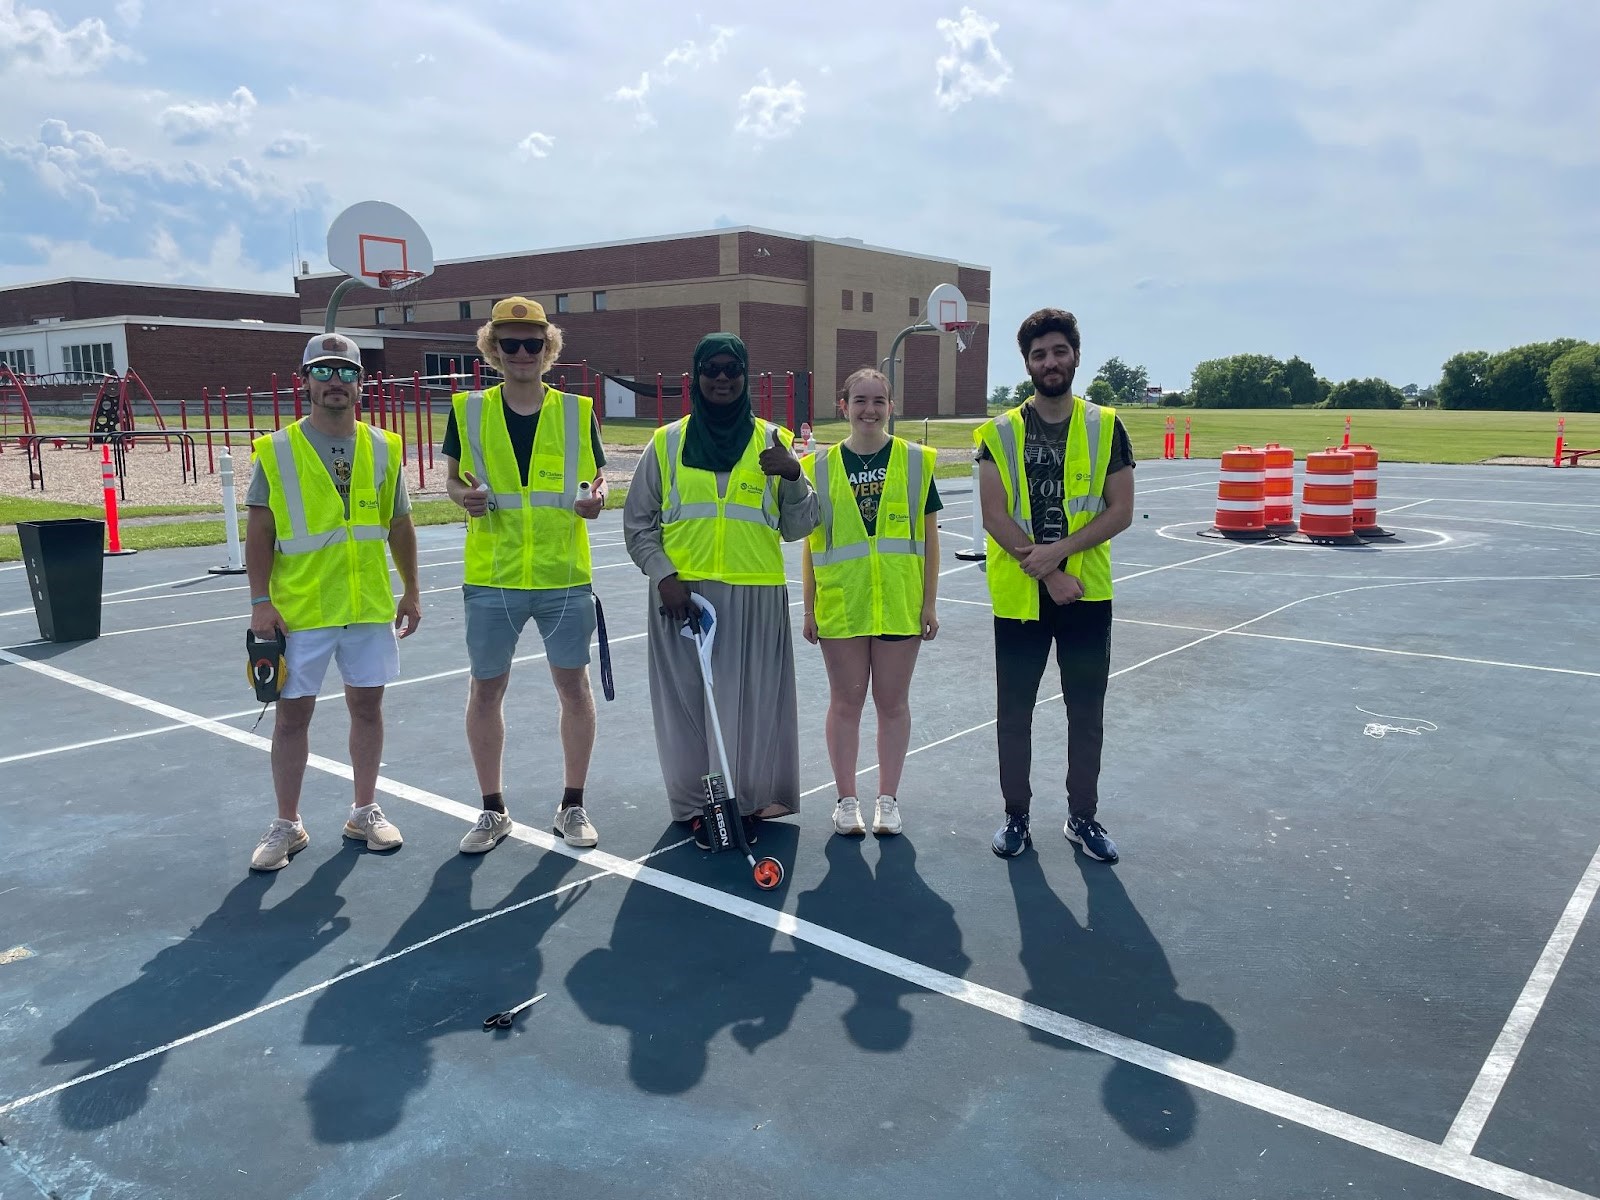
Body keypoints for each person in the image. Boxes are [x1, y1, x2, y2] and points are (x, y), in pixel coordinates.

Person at [623, 333, 818, 846]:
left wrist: (795, 475)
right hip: (683, 598)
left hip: (755, 595)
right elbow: (639, 523)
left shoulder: (772, 440)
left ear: (746, 375)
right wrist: (663, 575)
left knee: (753, 704)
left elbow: (800, 526)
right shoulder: (666, 442)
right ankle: (695, 807)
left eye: (733, 369)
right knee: (687, 705)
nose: (723, 378)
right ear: (697, 376)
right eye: (712, 368)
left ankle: (748, 803)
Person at [245, 332, 422, 872]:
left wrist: (412, 588)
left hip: (367, 606)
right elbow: (260, 530)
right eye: (323, 372)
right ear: (305, 382)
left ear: (362, 383)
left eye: (346, 373)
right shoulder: (276, 451)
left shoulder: (384, 447)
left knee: (367, 708)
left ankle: (364, 810)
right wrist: (259, 601)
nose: (336, 382)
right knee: (292, 717)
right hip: (300, 611)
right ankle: (287, 825)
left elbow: (399, 525)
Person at [441, 297, 608, 855]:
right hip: (493, 575)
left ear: (548, 348)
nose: (521, 353)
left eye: (532, 342)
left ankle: (573, 805)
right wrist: (466, 498)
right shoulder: (467, 409)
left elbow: (597, 480)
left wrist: (598, 501)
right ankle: (493, 811)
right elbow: (452, 483)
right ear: (492, 348)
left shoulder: (576, 411)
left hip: (563, 573)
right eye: (509, 342)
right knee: (486, 690)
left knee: (574, 689)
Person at [976, 308, 1135, 862]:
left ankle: (1082, 817)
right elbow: (994, 516)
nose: (1050, 362)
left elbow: (1121, 511)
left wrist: (1061, 561)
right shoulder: (997, 433)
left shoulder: (1105, 425)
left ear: (1074, 356)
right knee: (1014, 713)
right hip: (1021, 599)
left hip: (1085, 597)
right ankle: (1015, 816)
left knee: (1086, 712)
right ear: (1027, 363)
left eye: (1059, 351)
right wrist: (1049, 577)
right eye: (1039, 354)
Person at [800, 367, 941, 838]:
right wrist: (808, 606)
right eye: (859, 401)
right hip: (844, 602)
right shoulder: (817, 467)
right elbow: (809, 541)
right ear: (844, 406)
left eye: (878, 400)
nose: (869, 410)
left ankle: (887, 800)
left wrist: (929, 602)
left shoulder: (915, 462)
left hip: (899, 601)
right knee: (845, 703)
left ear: (891, 406)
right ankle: (845, 800)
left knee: (893, 704)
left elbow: (930, 538)